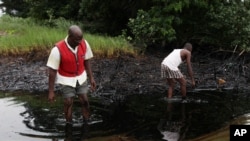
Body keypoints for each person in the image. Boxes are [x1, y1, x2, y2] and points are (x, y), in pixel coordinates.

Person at [47, 25, 96, 124]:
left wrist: (91, 78)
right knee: (68, 102)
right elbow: (52, 71)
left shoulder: (84, 43)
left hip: (81, 77)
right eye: (76, 40)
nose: (79, 42)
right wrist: (51, 91)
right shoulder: (57, 50)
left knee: (85, 101)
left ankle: (86, 122)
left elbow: (87, 61)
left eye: (80, 40)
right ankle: (68, 124)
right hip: (66, 79)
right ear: (69, 37)